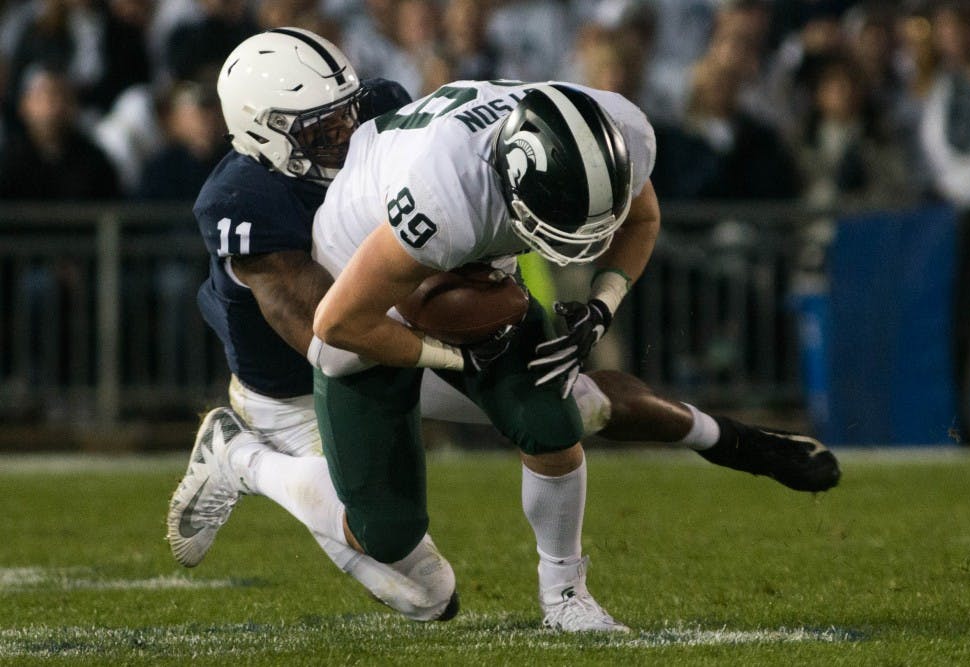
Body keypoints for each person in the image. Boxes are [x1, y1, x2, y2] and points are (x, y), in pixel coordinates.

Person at [166, 28, 839, 633]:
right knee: (426, 589)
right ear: (262, 133)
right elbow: (329, 329)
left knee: (561, 408)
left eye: (346, 112)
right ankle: (241, 456)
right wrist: (452, 351)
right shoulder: (252, 201)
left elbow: (638, 215)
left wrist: (599, 303)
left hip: (409, 299)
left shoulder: (603, 127)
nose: (344, 133)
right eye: (318, 130)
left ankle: (594, 570)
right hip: (308, 370)